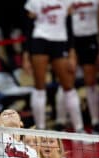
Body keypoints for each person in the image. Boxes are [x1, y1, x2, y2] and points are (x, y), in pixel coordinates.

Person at [22, 0, 84, 132]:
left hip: (60, 42)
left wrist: (72, 51)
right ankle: (40, 129)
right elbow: (27, 29)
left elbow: (69, 26)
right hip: (39, 41)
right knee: (40, 86)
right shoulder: (33, 2)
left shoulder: (67, 2)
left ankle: (79, 128)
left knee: (68, 85)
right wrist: (26, 54)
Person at [55, 0, 99, 134]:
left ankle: (95, 121)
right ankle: (61, 121)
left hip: (90, 38)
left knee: (91, 81)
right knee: (65, 82)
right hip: (69, 39)